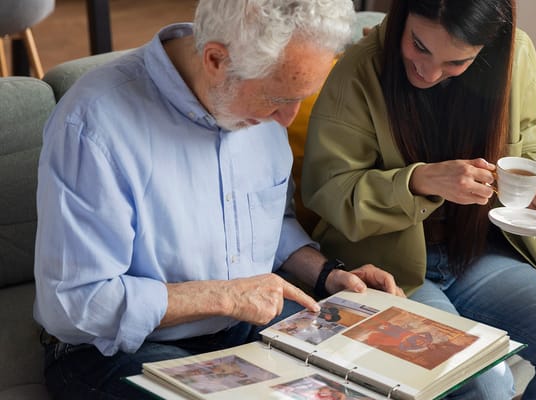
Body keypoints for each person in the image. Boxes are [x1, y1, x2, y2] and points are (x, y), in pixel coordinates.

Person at [33, 1, 405, 398]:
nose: (288, 118)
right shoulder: (95, 124)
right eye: (278, 98)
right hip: (113, 349)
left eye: (299, 97)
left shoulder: (256, 104)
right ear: (215, 59)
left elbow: (269, 224)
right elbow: (73, 304)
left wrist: (328, 273)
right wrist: (225, 295)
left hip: (241, 330)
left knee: (381, 374)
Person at [301, 0, 536, 399]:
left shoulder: (515, 56)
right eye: (419, 46)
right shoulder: (360, 68)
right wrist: (419, 181)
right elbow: (327, 190)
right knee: (484, 383)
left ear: (486, 48)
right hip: (389, 266)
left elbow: (531, 145)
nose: (428, 71)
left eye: (456, 62)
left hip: (477, 252)